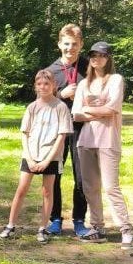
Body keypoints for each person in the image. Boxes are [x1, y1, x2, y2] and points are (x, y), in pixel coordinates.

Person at [72, 42, 133, 249]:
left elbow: (112, 109)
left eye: (101, 55)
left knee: (110, 186)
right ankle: (97, 228)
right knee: (90, 187)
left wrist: (89, 109)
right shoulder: (83, 84)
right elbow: (76, 114)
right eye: (93, 55)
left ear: (108, 58)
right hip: (86, 141)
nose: (96, 58)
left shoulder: (116, 80)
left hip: (108, 140)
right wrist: (97, 109)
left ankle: (126, 229)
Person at [0, 70, 72, 243]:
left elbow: (61, 137)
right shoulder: (32, 107)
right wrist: (29, 158)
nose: (43, 87)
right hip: (31, 155)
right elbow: (25, 133)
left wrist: (47, 160)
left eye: (47, 84)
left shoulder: (60, 107)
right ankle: (10, 225)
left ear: (53, 85)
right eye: (39, 84)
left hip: (51, 157)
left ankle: (43, 228)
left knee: (47, 191)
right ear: (35, 86)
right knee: (21, 189)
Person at [44, 24, 91, 237]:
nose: (69, 48)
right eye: (66, 44)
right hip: (57, 130)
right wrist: (61, 94)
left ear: (81, 45)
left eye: (74, 44)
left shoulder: (90, 69)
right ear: (58, 44)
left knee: (82, 176)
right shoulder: (50, 71)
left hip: (84, 128)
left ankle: (79, 220)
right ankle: (55, 219)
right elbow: (39, 101)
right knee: (54, 174)